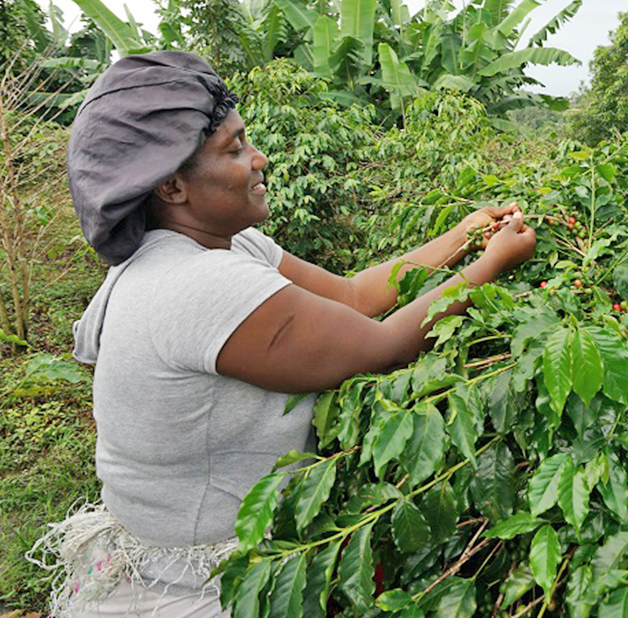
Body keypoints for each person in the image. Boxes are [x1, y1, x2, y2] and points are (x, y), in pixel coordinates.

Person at [35, 51, 536, 617]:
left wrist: (462, 238)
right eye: (234, 150)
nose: (259, 158)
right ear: (171, 186)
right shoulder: (194, 284)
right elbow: (384, 348)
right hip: (195, 588)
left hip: (212, 558)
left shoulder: (220, 242)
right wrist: (493, 267)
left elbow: (351, 296)